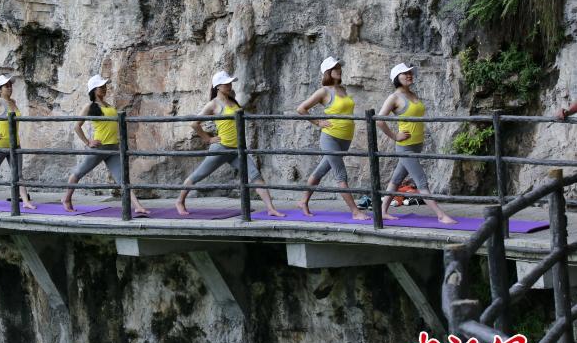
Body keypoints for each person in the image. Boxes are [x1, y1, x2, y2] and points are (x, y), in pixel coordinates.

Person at [176, 71, 284, 217]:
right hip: (221, 148)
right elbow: (195, 124)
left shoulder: (232, 100)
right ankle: (180, 201)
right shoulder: (213, 104)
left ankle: (270, 208)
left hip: (237, 150)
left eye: (230, 82)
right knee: (199, 175)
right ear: (218, 86)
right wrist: (208, 139)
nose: (229, 85)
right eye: (226, 83)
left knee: (255, 175)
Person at [377, 63, 457, 224]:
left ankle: (382, 211)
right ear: (396, 78)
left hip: (416, 144)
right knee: (421, 180)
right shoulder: (394, 97)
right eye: (404, 73)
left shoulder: (413, 94)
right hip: (405, 146)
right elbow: (379, 120)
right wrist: (395, 136)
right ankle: (440, 215)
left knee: (397, 179)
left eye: (410, 73)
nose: (409, 75)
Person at [61, 75, 150, 215]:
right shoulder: (90, 106)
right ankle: (66, 199)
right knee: (78, 173)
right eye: (101, 87)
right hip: (99, 147)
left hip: (113, 148)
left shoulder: (108, 105)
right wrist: (88, 141)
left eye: (105, 86)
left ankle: (137, 206)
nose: (104, 89)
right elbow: (77, 126)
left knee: (122, 179)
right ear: (94, 90)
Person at [296, 57, 369, 220]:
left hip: (345, 138)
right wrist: (317, 122)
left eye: (339, 67)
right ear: (328, 72)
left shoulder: (342, 89)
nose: (339, 70)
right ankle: (355, 211)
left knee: (321, 170)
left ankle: (303, 201)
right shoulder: (323, 91)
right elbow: (301, 109)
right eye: (335, 68)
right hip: (330, 137)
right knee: (340, 174)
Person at [0, 74, 35, 209]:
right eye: (6, 86)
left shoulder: (13, 102)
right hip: (1, 144)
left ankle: (25, 201)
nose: (9, 88)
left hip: (15, 144)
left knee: (18, 174)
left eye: (10, 85)